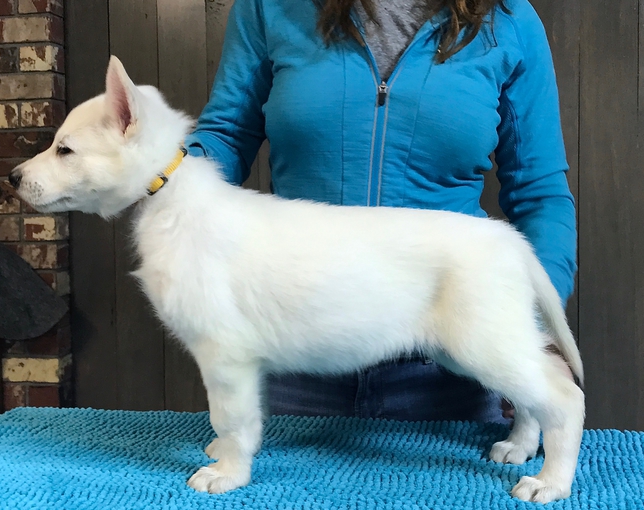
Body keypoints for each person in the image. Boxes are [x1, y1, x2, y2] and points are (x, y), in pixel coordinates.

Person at [184, 0, 577, 425]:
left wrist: (531, 328)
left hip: (450, 364)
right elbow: (226, 134)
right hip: (294, 348)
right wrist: (153, 166)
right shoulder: (269, 7)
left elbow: (541, 194)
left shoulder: (510, 18)